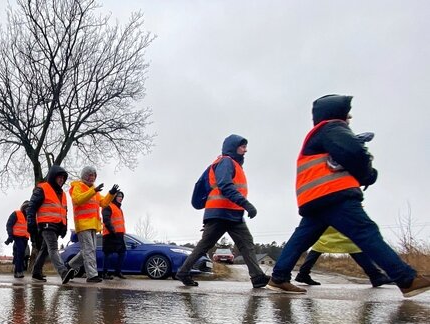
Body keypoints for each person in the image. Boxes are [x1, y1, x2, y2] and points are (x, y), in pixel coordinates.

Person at [267, 94, 430, 297]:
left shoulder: (320, 133)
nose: (349, 118)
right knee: (365, 232)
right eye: (347, 113)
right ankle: (406, 279)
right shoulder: (332, 127)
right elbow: (354, 153)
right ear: (337, 113)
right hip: (333, 195)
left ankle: (279, 277)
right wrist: (368, 175)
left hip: (314, 197)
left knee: (300, 240)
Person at [177, 134, 270, 288]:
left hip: (234, 214)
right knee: (205, 246)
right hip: (219, 213)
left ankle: (257, 277)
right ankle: (183, 271)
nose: (245, 150)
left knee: (247, 244)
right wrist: (247, 204)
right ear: (233, 147)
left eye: (245, 146)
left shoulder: (236, 165)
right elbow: (225, 185)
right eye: (242, 146)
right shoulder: (226, 162)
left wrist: (242, 207)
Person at [67, 165, 119, 283]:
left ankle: (70, 265)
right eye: (90, 175)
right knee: (89, 249)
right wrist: (93, 191)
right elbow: (78, 199)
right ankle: (91, 275)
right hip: (83, 224)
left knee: (89, 250)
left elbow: (103, 203)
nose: (92, 178)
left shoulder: (94, 190)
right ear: (85, 176)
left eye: (94, 175)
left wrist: (111, 194)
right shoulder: (78, 186)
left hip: (93, 225)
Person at [26, 165, 76, 284]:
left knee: (45, 250)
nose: (61, 180)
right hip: (46, 224)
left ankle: (36, 272)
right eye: (59, 177)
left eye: (63, 178)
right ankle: (63, 272)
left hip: (57, 225)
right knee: (53, 248)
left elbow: (64, 211)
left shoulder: (63, 194)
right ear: (53, 176)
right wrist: (31, 222)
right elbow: (31, 207)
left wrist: (64, 226)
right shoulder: (42, 188)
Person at [295, 227, 392, 287]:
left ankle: (303, 273)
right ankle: (375, 275)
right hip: (336, 210)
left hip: (326, 210)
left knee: (321, 242)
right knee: (352, 244)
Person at [101, 190, 127, 279]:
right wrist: (112, 230)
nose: (121, 198)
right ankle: (104, 273)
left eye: (122, 197)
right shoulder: (108, 206)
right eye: (119, 196)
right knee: (107, 254)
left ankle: (117, 272)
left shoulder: (120, 209)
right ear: (114, 197)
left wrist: (122, 233)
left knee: (123, 252)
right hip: (110, 234)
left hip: (119, 235)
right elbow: (106, 220)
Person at [5, 200, 31, 278]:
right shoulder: (16, 214)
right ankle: (19, 271)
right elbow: (9, 224)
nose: (28, 210)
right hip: (17, 237)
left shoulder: (29, 217)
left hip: (25, 238)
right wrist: (10, 235)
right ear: (23, 208)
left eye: (29, 208)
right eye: (26, 208)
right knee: (21, 252)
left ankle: (17, 271)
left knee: (21, 254)